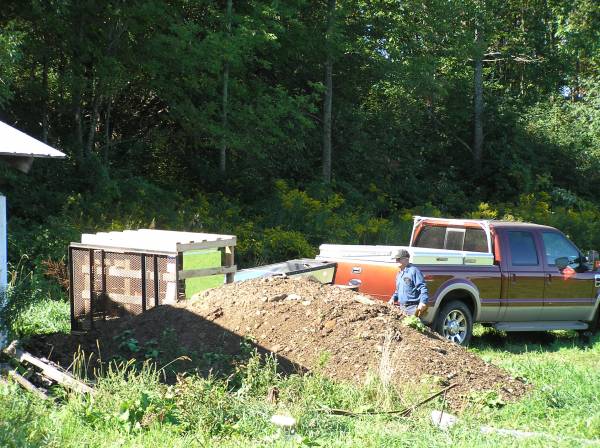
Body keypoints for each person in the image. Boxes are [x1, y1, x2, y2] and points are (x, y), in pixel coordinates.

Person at [388, 249, 429, 316]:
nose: (396, 261)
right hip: (402, 308)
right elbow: (398, 291)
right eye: (396, 259)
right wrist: (393, 299)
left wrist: (423, 302)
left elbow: (422, 287)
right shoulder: (399, 274)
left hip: (412, 308)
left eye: (398, 259)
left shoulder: (414, 271)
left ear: (406, 259)